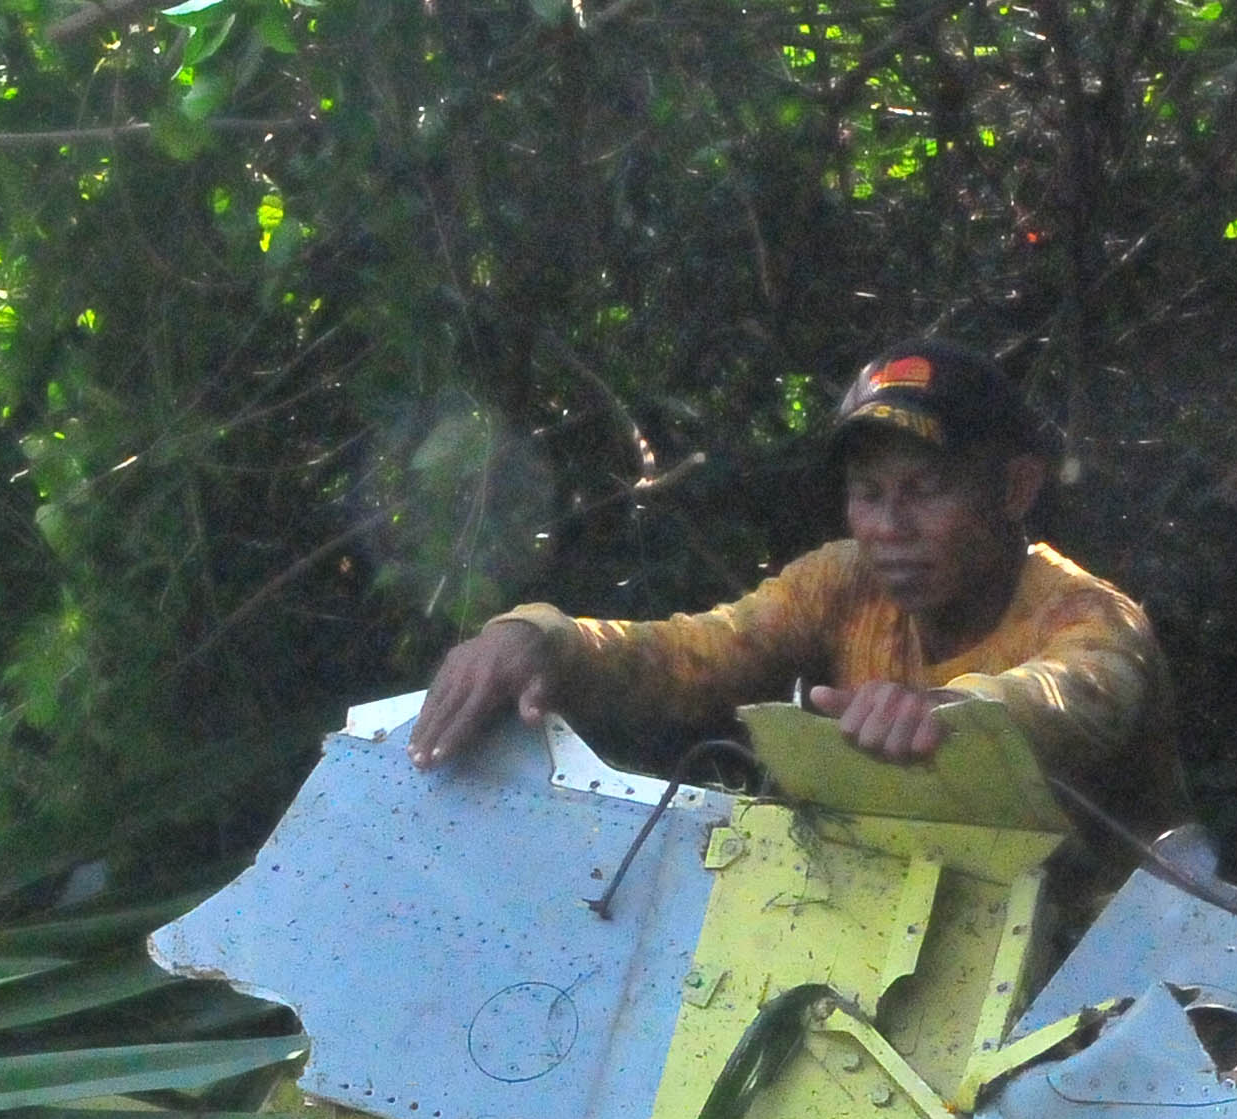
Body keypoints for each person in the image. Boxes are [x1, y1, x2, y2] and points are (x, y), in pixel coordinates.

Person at [407, 341, 1188, 839]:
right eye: (869, 493)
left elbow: (1073, 693)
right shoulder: (843, 582)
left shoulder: (1089, 615)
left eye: (925, 489)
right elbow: (694, 653)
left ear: (1015, 489)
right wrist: (539, 636)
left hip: (1112, 983)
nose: (889, 526)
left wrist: (958, 711)